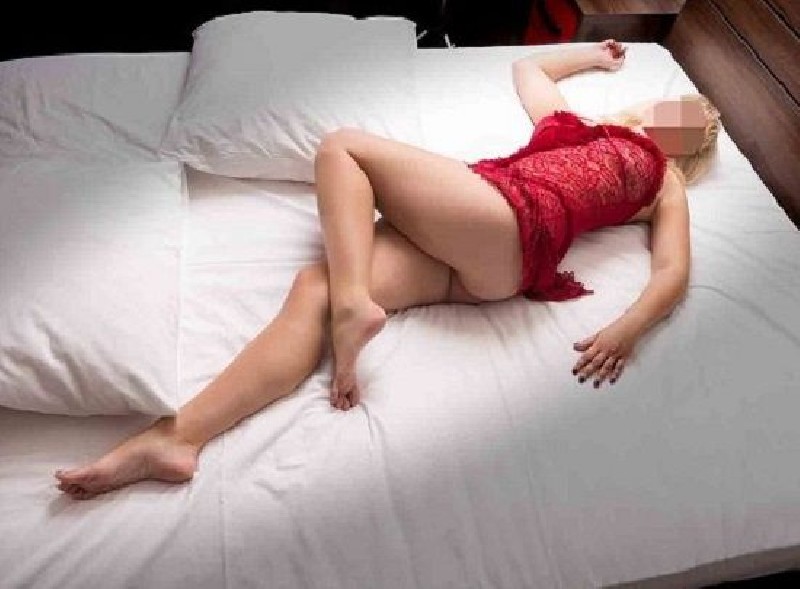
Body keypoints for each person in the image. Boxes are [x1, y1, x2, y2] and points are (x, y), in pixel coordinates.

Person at [55, 39, 721, 500]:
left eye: (691, 127)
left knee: (343, 148)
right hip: (487, 263)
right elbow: (528, 69)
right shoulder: (580, 125)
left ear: (687, 150)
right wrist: (595, 56)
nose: (675, 119)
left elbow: (673, 271)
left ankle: (354, 308)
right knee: (315, 286)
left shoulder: (662, 181)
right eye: (678, 107)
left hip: (511, 222)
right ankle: (178, 438)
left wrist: (627, 329)